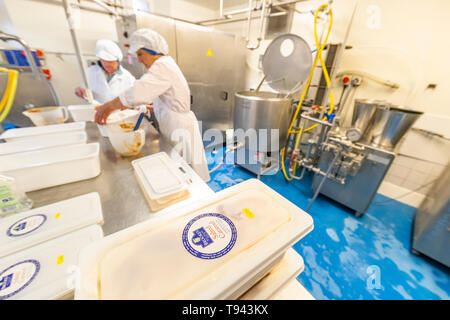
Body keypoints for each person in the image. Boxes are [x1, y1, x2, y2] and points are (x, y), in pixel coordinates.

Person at [94, 29, 210, 182]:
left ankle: (199, 199)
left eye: (140, 54)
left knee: (189, 170)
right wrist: (152, 108)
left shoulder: (163, 66)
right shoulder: (164, 65)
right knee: (183, 167)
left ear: (153, 51)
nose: (139, 60)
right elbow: (168, 99)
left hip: (179, 127)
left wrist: (108, 106)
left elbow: (138, 92)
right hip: (174, 124)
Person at [75, 39, 136, 104]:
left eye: (110, 63)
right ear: (100, 59)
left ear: (117, 60)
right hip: (97, 111)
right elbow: (86, 96)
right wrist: (80, 92)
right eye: (104, 61)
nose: (107, 65)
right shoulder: (90, 72)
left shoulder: (128, 78)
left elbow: (133, 101)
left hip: (120, 113)